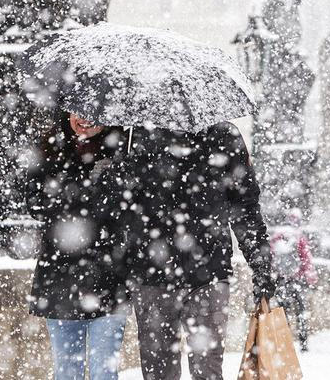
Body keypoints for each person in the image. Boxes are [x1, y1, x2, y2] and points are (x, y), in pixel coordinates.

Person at [120, 122, 275, 380]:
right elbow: (123, 208)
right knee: (159, 372)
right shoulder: (138, 134)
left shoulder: (224, 136)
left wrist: (261, 266)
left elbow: (245, 207)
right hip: (153, 274)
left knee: (207, 370)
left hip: (207, 274)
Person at [24, 112, 132, 380]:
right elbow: (36, 205)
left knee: (104, 371)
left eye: (95, 113)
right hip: (60, 278)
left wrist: (110, 182)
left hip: (109, 279)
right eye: (77, 111)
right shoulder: (50, 149)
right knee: (67, 371)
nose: (85, 119)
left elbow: (127, 211)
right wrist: (79, 189)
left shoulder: (124, 153)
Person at [270, 210, 317, 352]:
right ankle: (303, 344)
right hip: (297, 279)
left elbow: (270, 257)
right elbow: (306, 259)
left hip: (280, 279)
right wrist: (308, 277)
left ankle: (283, 343)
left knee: (281, 311)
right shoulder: (299, 237)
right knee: (300, 312)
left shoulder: (277, 236)